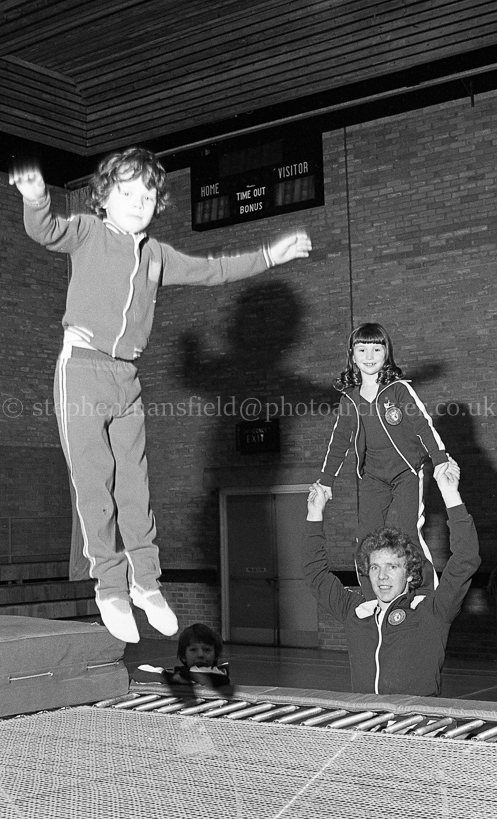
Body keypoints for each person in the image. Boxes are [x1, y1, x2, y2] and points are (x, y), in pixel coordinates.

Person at [10, 147, 312, 644]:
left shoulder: (156, 255)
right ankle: (109, 587)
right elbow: (45, 232)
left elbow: (211, 271)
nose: (138, 202)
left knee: (135, 486)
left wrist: (267, 257)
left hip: (126, 379)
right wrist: (37, 198)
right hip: (82, 371)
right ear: (103, 198)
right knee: (95, 483)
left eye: (148, 195)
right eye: (127, 193)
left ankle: (147, 584)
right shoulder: (88, 231)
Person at [303, 459, 480, 696]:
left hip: (416, 727)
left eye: (392, 567)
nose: (382, 576)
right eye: (375, 567)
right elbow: (315, 574)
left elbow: (465, 558)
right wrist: (315, 513)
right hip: (369, 725)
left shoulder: (433, 611)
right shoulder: (355, 611)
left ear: (409, 573)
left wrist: (450, 494)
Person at [318, 322, 449, 594]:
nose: (369, 356)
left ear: (386, 353)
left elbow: (422, 425)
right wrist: (325, 480)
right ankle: (369, 596)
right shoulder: (349, 400)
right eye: (362, 349)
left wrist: (440, 459)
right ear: (352, 355)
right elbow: (339, 442)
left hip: (406, 471)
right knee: (365, 536)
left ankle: (425, 594)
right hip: (374, 477)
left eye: (376, 349)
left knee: (409, 532)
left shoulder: (398, 390)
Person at [132, 622, 230, 688]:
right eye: (193, 650)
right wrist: (172, 677)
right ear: (183, 655)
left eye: (207, 650)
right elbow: (139, 673)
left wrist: (171, 678)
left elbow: (200, 677)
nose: (200, 654)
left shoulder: (218, 676)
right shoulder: (179, 672)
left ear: (215, 654)